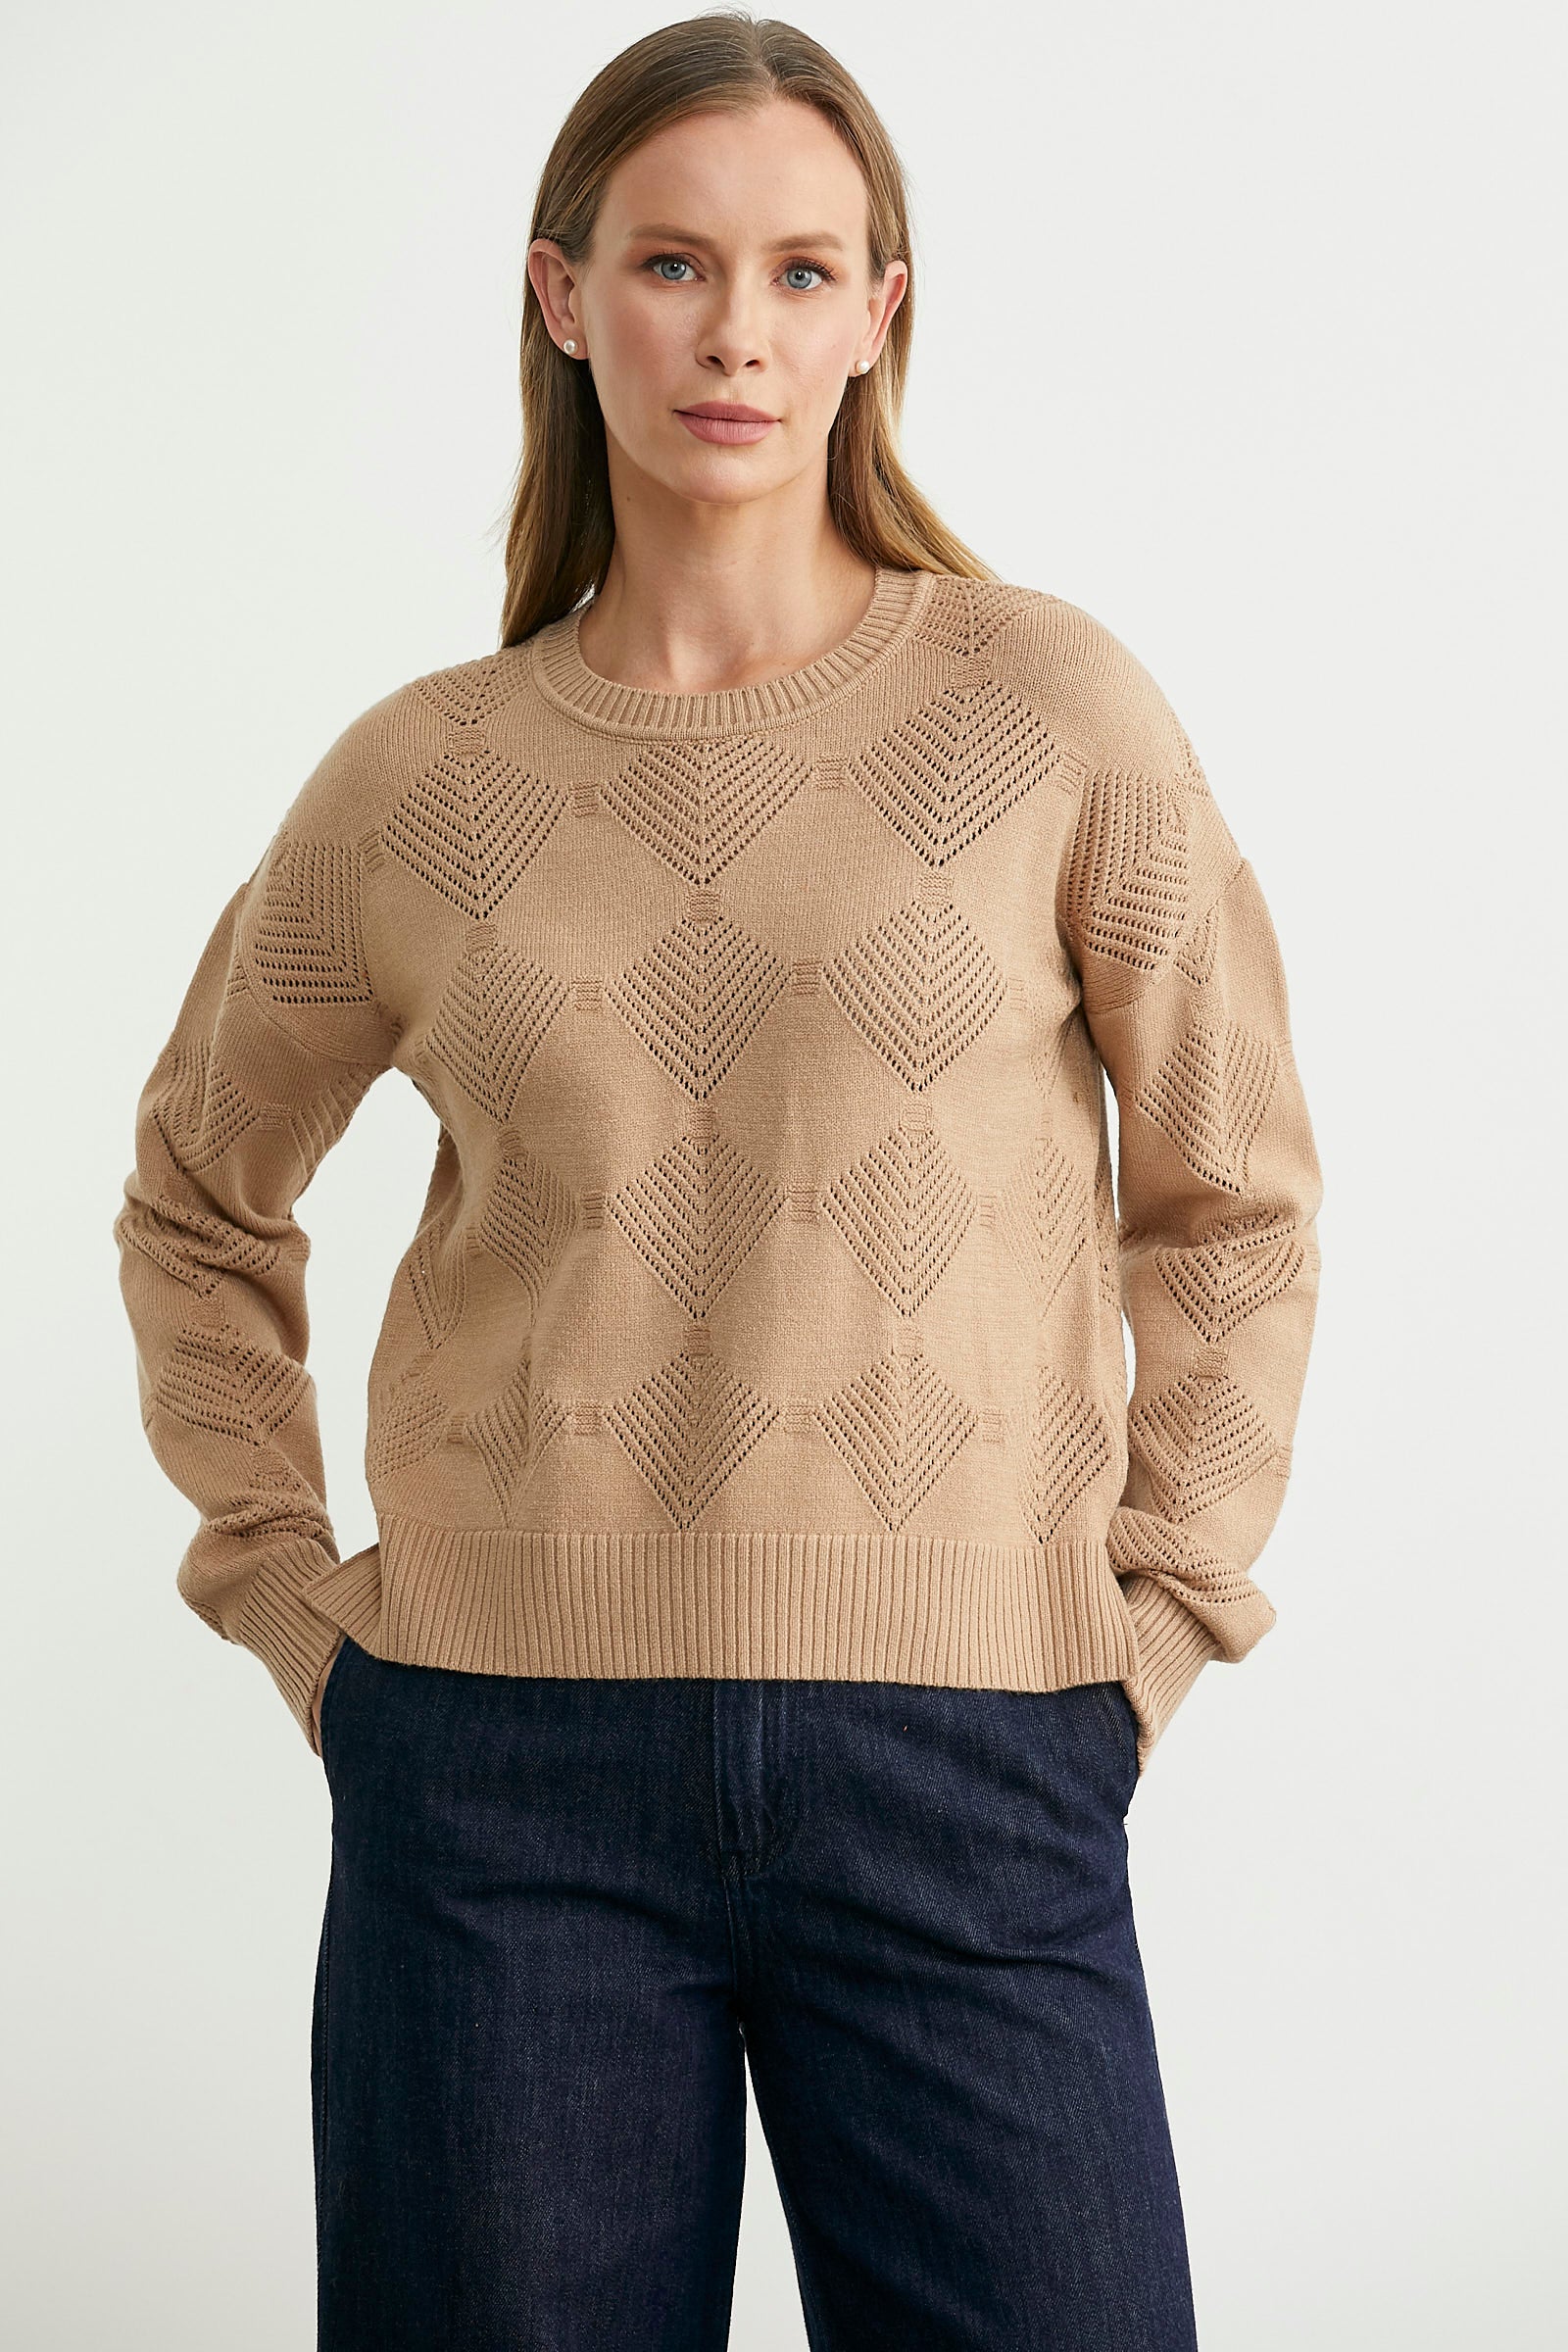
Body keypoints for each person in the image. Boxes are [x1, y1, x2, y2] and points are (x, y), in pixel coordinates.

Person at [112, 14, 1322, 2348]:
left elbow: (1233, 1196)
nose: (733, 332)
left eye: (798, 270)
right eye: (671, 264)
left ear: (880, 313)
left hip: (972, 1760)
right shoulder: (419, 782)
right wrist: (282, 1596)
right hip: (496, 1783)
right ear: (561, 296)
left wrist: (1157, 1620)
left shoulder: (1050, 716)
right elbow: (194, 1196)